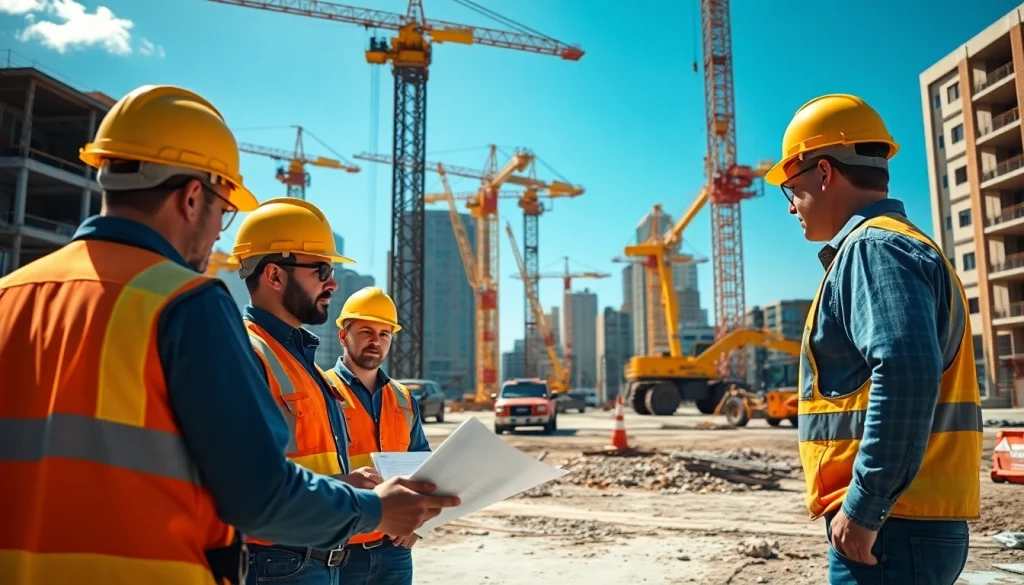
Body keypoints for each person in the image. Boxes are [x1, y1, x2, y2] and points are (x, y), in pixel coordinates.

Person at [0, 84, 458, 585]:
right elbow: (254, 493)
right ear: (192, 197)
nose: (220, 230)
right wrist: (373, 509)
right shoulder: (183, 301)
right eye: (224, 209)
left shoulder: (9, 294)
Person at [765, 93, 983, 585]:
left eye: (791, 189)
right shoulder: (905, 244)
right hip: (909, 523)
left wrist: (864, 509)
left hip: (890, 530)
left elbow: (905, 372)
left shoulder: (873, 249)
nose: (792, 206)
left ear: (824, 172)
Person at [232, 198, 396, 584]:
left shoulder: (304, 365)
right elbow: (241, 484)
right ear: (274, 275)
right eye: (321, 270)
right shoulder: (245, 353)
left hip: (320, 560)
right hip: (277, 563)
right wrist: (344, 489)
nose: (332, 283)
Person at [321, 287, 433, 585]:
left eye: (384, 334)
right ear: (343, 336)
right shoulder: (320, 390)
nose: (376, 341)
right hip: (339, 550)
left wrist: (420, 526)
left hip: (394, 550)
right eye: (366, 332)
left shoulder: (403, 398)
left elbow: (425, 469)